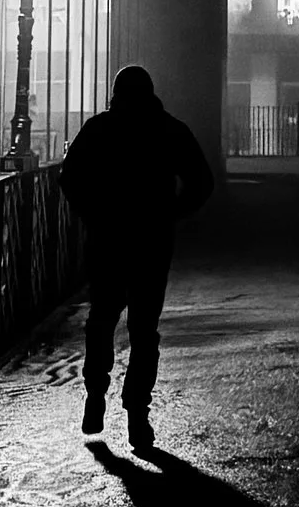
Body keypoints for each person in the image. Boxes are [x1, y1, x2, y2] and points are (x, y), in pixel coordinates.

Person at [56, 64, 214, 448]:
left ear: (116, 93)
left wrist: (92, 213)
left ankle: (96, 394)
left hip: (107, 239)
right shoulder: (170, 130)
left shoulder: (98, 129)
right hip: (151, 242)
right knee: (144, 331)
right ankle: (137, 415)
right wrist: (171, 212)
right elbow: (202, 182)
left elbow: (69, 177)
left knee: (101, 320)